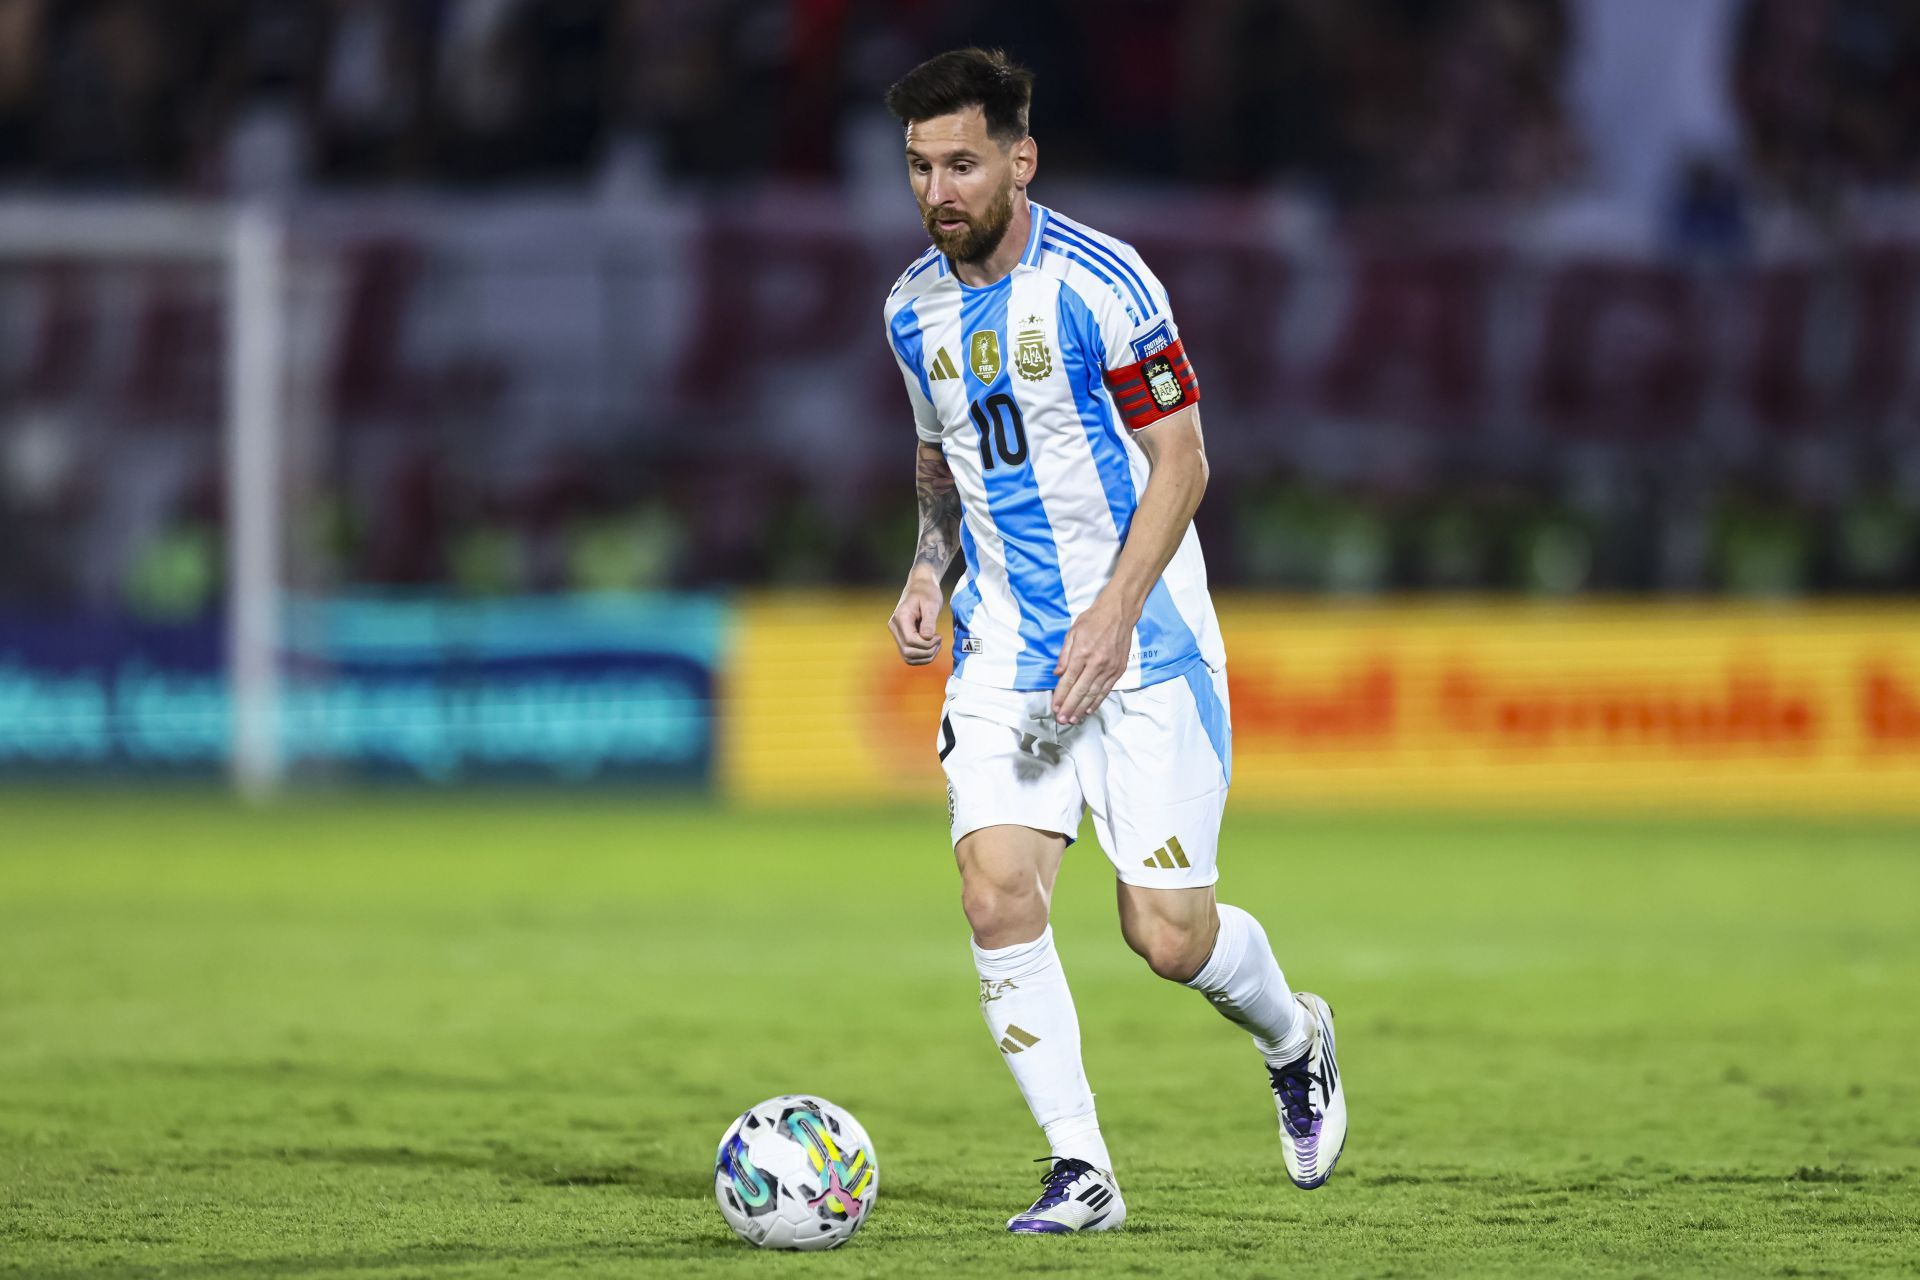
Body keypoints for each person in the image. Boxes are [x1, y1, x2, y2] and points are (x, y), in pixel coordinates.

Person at [880, 48, 1347, 1235]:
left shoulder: (1103, 282)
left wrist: (1115, 609)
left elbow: (1182, 461)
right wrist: (931, 568)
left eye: (964, 163)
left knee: (1166, 934)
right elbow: (942, 461)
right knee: (996, 894)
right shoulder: (909, 309)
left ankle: (1295, 1036)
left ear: (1020, 160)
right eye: (921, 166)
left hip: (1144, 646)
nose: (941, 190)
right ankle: (1079, 1168)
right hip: (1006, 653)